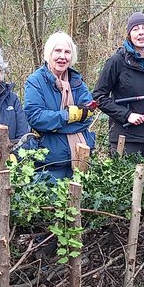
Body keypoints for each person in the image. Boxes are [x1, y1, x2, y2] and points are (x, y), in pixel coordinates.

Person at [92, 11, 144, 156]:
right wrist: (127, 115)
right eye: (136, 29)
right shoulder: (117, 61)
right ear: (129, 34)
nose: (141, 33)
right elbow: (99, 97)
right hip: (125, 138)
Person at [24, 32, 96, 179]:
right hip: (50, 164)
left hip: (80, 160)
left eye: (67, 52)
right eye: (58, 51)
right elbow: (36, 118)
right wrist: (69, 115)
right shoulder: (35, 81)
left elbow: (89, 113)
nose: (62, 56)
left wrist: (56, 126)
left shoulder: (77, 81)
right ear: (48, 53)